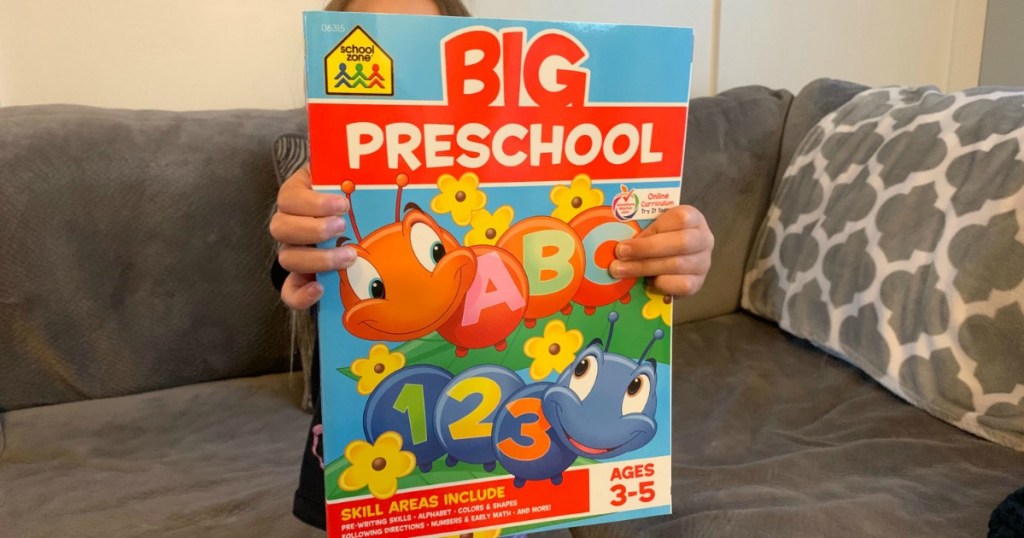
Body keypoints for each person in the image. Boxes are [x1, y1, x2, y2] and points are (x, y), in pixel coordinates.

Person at [270, 0, 714, 530]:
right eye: (379, 39)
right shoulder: (322, 183)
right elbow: (291, 265)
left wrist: (677, 250)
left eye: (416, 41)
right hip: (376, 465)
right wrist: (296, 245)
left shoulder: (490, 179)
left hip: (517, 468)